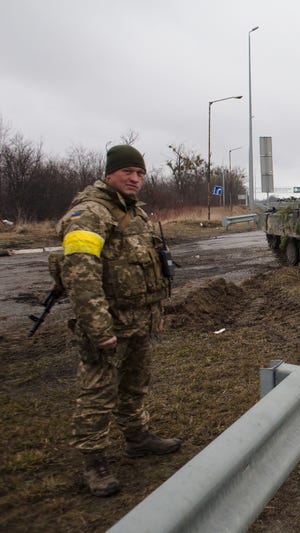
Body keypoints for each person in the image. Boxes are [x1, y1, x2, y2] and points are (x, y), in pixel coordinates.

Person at [55, 144, 181, 497]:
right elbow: (82, 276)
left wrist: (157, 314)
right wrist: (98, 328)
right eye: (128, 172)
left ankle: (137, 437)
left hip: (140, 319)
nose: (135, 179)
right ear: (110, 173)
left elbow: (151, 265)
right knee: (98, 392)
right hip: (109, 323)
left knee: (135, 383)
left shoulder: (136, 214)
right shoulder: (90, 214)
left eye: (140, 173)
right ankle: (93, 461)